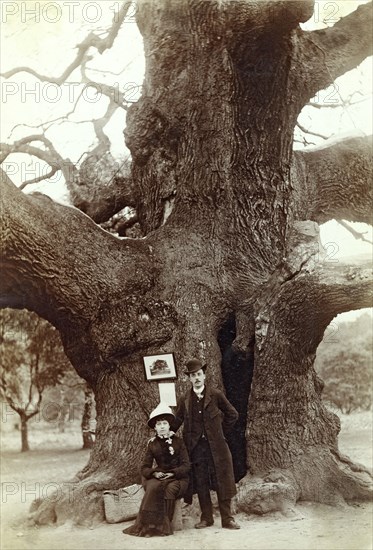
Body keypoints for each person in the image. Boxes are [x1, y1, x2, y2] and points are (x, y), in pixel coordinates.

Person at [173, 358, 240, 530]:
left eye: (199, 374)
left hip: (217, 447)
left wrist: (220, 433)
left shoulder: (215, 394)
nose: (196, 378)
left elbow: (232, 414)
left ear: (204, 376)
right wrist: (166, 433)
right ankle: (206, 518)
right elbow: (177, 420)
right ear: (189, 378)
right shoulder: (185, 399)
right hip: (195, 449)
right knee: (201, 482)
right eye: (193, 375)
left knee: (222, 481)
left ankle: (227, 519)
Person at [123, 403, 190, 537]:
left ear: (169, 425)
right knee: (153, 486)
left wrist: (173, 473)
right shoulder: (152, 444)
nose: (162, 427)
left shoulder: (179, 442)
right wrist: (154, 473)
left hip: (178, 478)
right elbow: (144, 467)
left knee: (169, 489)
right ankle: (148, 526)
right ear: (155, 427)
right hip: (159, 475)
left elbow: (186, 465)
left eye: (164, 423)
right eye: (159, 425)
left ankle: (163, 527)